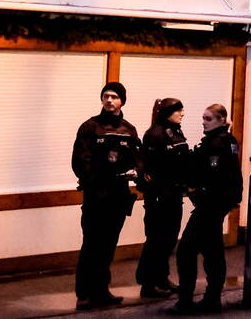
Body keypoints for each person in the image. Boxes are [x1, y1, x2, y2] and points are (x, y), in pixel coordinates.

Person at [72, 81, 141, 310]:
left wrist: (137, 171)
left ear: (122, 101)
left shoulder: (129, 129)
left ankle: (101, 291)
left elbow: (138, 158)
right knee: (91, 244)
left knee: (108, 246)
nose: (109, 100)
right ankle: (84, 294)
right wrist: (96, 182)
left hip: (118, 196)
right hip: (95, 196)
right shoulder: (90, 127)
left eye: (114, 97)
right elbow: (80, 161)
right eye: (106, 96)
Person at [173, 105, 242, 315]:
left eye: (208, 118)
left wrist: (194, 185)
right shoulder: (226, 141)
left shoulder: (217, 143)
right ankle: (211, 299)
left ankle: (187, 300)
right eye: (203, 117)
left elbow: (212, 175)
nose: (203, 121)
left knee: (186, 250)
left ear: (221, 120)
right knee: (212, 252)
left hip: (210, 205)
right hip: (216, 204)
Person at [136, 98, 190, 298]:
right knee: (156, 240)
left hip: (174, 194)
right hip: (160, 196)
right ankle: (148, 283)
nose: (182, 113)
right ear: (168, 112)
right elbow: (148, 168)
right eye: (179, 110)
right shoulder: (155, 134)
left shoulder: (175, 131)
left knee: (168, 239)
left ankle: (161, 277)